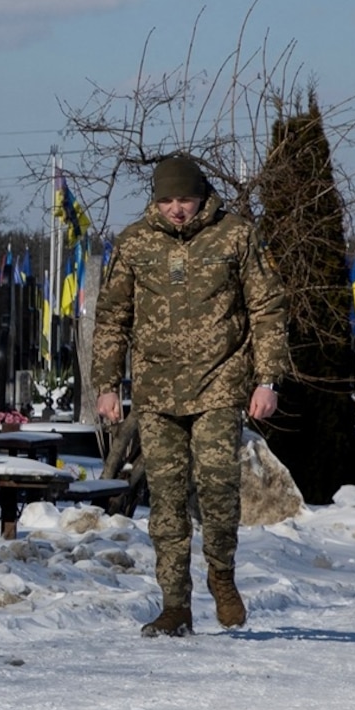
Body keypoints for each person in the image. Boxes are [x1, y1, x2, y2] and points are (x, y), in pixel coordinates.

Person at [92, 153, 286, 636]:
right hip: (157, 390)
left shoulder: (235, 235)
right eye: (167, 200)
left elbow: (266, 307)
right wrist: (107, 384)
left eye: (185, 199)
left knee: (219, 487)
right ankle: (175, 605)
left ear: (203, 197)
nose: (177, 209)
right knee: (167, 501)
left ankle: (221, 574)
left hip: (220, 382)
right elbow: (113, 316)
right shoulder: (134, 243)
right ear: (155, 201)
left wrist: (268, 379)